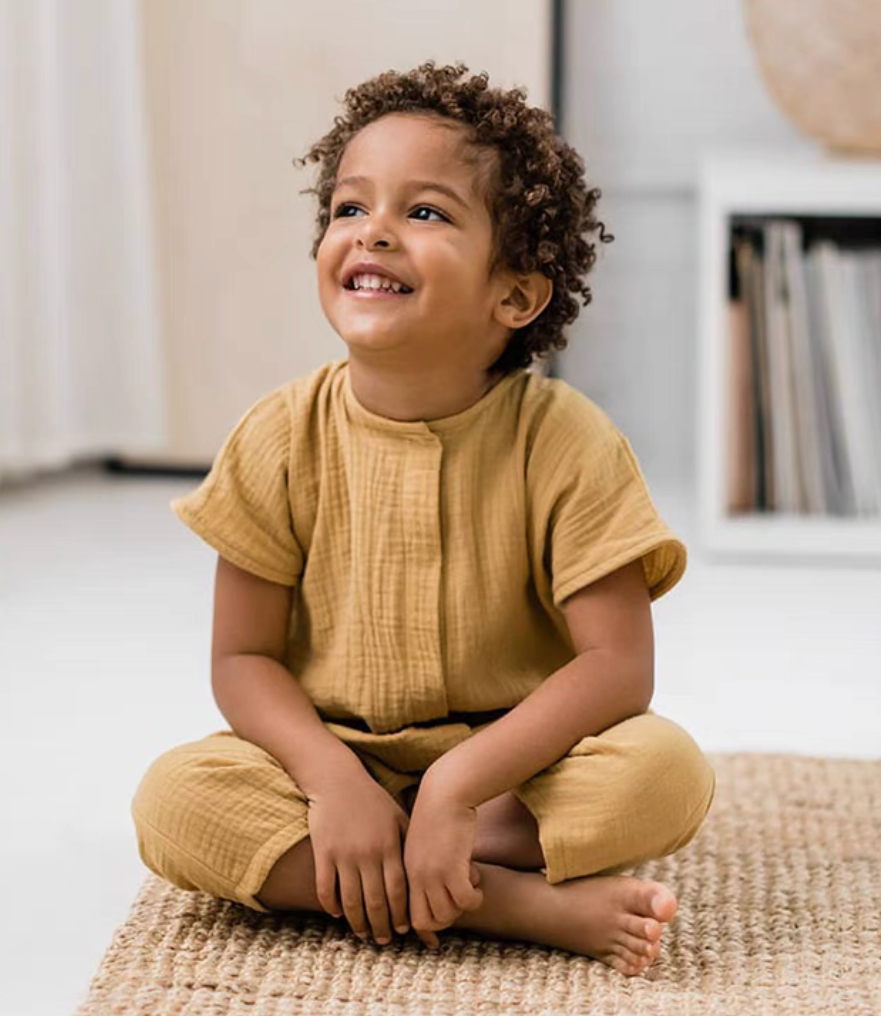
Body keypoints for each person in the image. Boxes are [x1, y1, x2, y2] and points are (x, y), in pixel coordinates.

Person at [131, 60, 715, 978]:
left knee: (667, 772)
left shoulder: (567, 440)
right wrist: (331, 784)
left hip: (514, 778)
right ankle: (510, 905)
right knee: (176, 801)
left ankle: (415, 861)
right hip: (330, 758)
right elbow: (240, 660)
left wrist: (457, 784)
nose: (374, 235)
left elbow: (617, 668)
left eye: (426, 213)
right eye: (349, 209)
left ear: (515, 294)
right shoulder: (279, 434)